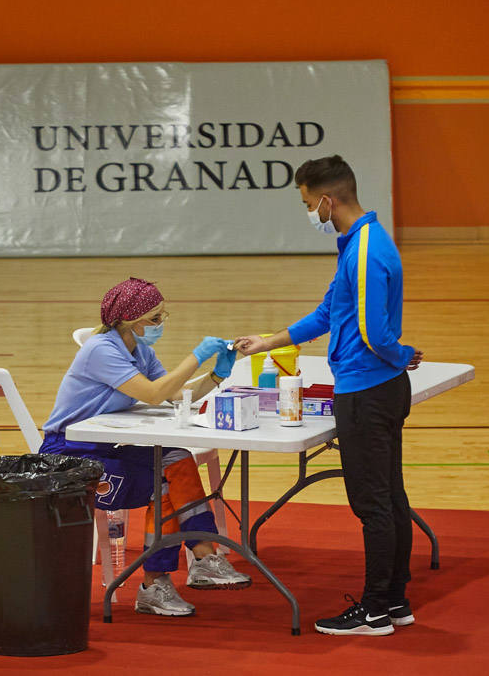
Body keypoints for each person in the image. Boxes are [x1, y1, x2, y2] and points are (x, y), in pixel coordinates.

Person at [235, 154, 423, 637]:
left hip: (367, 392)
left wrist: (402, 353)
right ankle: (396, 600)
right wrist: (270, 341)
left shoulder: (363, 252)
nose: (309, 213)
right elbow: (328, 312)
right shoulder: (361, 243)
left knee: (372, 505)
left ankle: (376, 609)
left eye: (307, 204)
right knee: (390, 497)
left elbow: (374, 332)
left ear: (326, 199)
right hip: (378, 388)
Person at [40, 277, 251, 617]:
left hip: (105, 446)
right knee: (161, 483)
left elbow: (173, 398)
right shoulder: (100, 350)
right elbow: (152, 394)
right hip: (67, 458)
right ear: (129, 322)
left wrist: (217, 374)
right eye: (154, 319)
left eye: (162, 316)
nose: (159, 324)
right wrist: (196, 356)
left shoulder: (142, 352)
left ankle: (204, 558)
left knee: (176, 458)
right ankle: (153, 585)